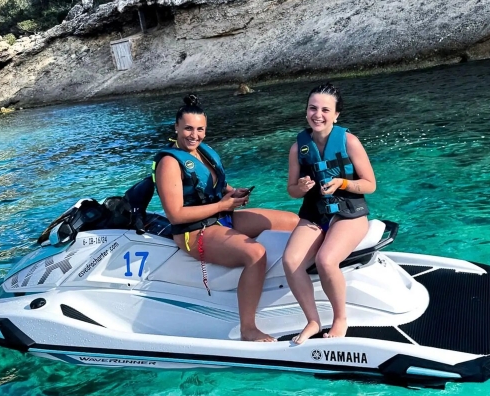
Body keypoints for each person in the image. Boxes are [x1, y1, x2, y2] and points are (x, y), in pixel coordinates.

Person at [153, 94, 298, 342]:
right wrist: (222, 204)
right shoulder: (169, 163)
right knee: (255, 254)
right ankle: (248, 328)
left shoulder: (203, 153)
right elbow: (175, 214)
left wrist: (232, 192)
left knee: (294, 222)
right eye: (187, 128)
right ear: (176, 127)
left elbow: (214, 186)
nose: (193, 135)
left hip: (221, 218)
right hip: (193, 232)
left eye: (200, 129)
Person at [282, 82, 376, 343]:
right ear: (306, 112)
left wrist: (343, 183)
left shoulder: (349, 141)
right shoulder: (297, 148)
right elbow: (291, 191)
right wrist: (301, 187)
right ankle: (312, 321)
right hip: (315, 214)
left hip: (349, 213)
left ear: (336, 115)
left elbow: (370, 184)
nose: (318, 115)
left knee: (325, 260)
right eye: (313, 108)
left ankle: (340, 319)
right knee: (290, 261)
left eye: (325, 110)